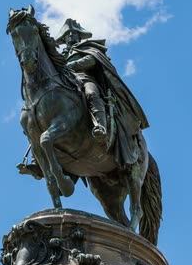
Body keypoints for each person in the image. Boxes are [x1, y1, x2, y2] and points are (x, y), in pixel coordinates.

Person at [56, 18, 149, 167]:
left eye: (74, 33)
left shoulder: (89, 47)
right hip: (65, 84)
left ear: (79, 35)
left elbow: (91, 61)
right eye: (68, 34)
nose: (71, 36)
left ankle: (101, 127)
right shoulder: (60, 56)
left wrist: (70, 65)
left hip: (85, 79)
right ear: (64, 38)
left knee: (92, 94)